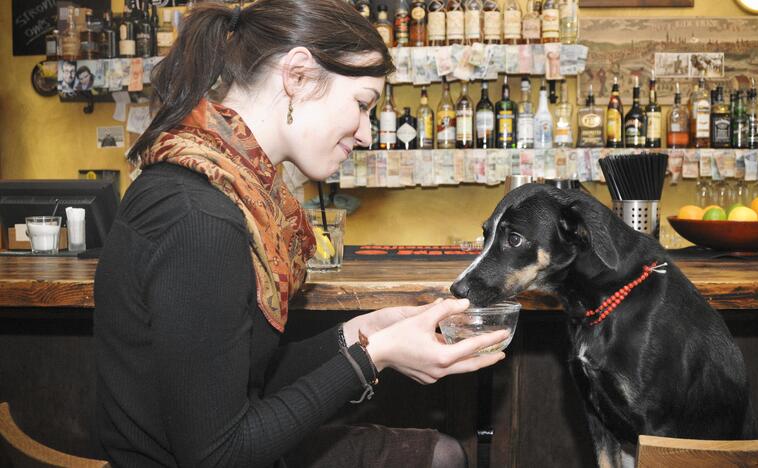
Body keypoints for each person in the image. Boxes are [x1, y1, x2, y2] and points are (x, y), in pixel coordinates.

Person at [94, 1, 508, 467]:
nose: (368, 134)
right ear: (298, 76)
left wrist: (362, 333)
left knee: (441, 452)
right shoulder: (200, 219)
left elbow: (242, 380)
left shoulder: (226, 188)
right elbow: (218, 455)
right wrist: (374, 359)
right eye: (362, 105)